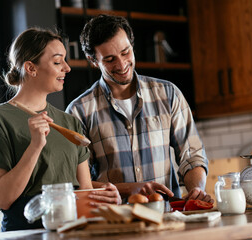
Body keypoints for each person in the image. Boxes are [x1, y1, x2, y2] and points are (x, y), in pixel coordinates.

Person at [0, 27, 121, 232]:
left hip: (73, 232)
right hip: (24, 233)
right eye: (57, 61)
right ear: (31, 68)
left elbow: (85, 190)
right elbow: (4, 199)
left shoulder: (69, 122)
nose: (67, 68)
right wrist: (35, 146)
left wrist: (105, 197)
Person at [66, 14, 214, 203]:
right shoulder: (79, 112)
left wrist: (197, 189)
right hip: (113, 220)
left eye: (125, 52)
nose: (121, 64)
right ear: (93, 60)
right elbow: (78, 181)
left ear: (132, 45)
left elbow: (192, 155)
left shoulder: (168, 94)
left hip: (166, 215)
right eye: (110, 59)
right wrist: (129, 189)